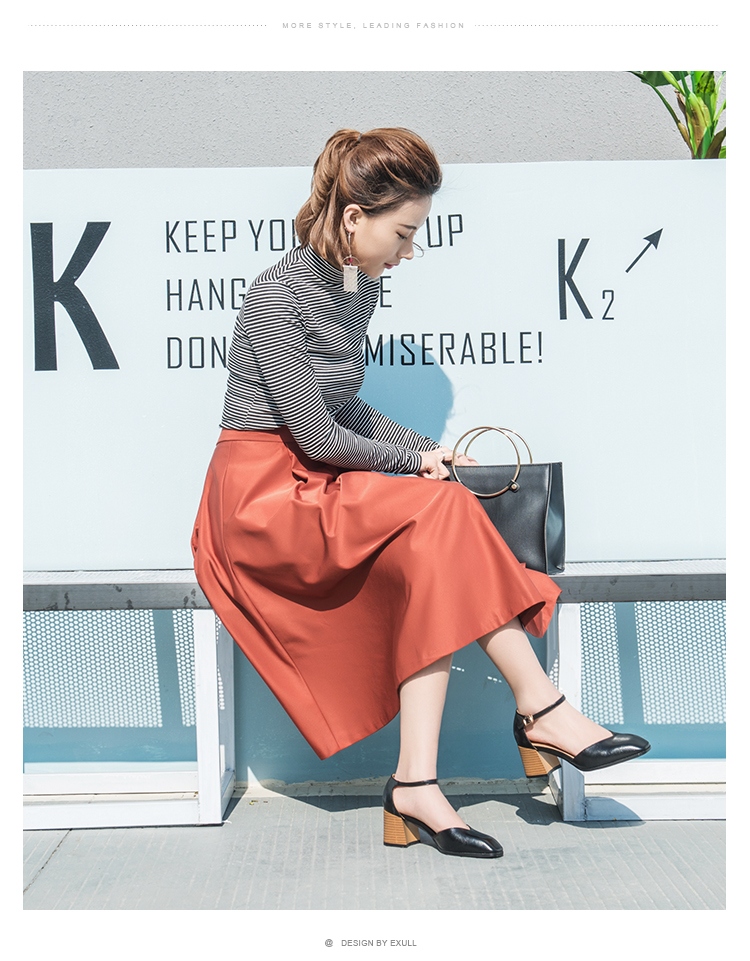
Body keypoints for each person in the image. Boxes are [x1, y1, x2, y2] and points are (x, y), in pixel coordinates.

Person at [192, 127, 649, 860]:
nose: (410, 252)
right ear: (353, 219)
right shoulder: (278, 293)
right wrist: (411, 460)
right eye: (403, 233)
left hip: (316, 484)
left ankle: (417, 783)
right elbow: (315, 436)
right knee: (441, 508)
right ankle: (541, 710)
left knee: (433, 548)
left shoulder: (358, 285)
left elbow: (343, 406)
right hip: (261, 503)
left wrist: (425, 452)